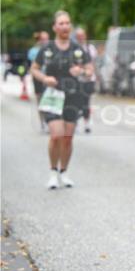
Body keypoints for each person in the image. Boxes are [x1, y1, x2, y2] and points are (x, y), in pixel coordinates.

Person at [30, 12, 93, 189]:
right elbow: (34, 69)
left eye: (67, 23)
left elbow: (90, 70)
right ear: (55, 27)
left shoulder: (78, 49)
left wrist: (80, 71)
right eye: (61, 23)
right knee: (56, 135)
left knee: (67, 138)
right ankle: (52, 172)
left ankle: (64, 172)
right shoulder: (47, 49)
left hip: (73, 96)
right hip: (52, 95)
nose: (65, 26)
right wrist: (44, 78)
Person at [74, 28, 98, 133]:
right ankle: (76, 122)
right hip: (77, 79)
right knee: (76, 102)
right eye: (78, 36)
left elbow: (93, 63)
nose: (80, 38)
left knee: (86, 102)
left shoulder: (90, 48)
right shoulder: (73, 49)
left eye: (82, 36)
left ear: (85, 36)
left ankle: (87, 123)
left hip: (88, 79)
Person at [27, 31, 50, 132]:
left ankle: (50, 121)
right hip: (38, 79)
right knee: (40, 100)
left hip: (50, 78)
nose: (46, 41)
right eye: (44, 39)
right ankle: (43, 123)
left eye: (47, 38)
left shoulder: (51, 49)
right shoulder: (33, 51)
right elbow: (35, 66)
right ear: (40, 40)